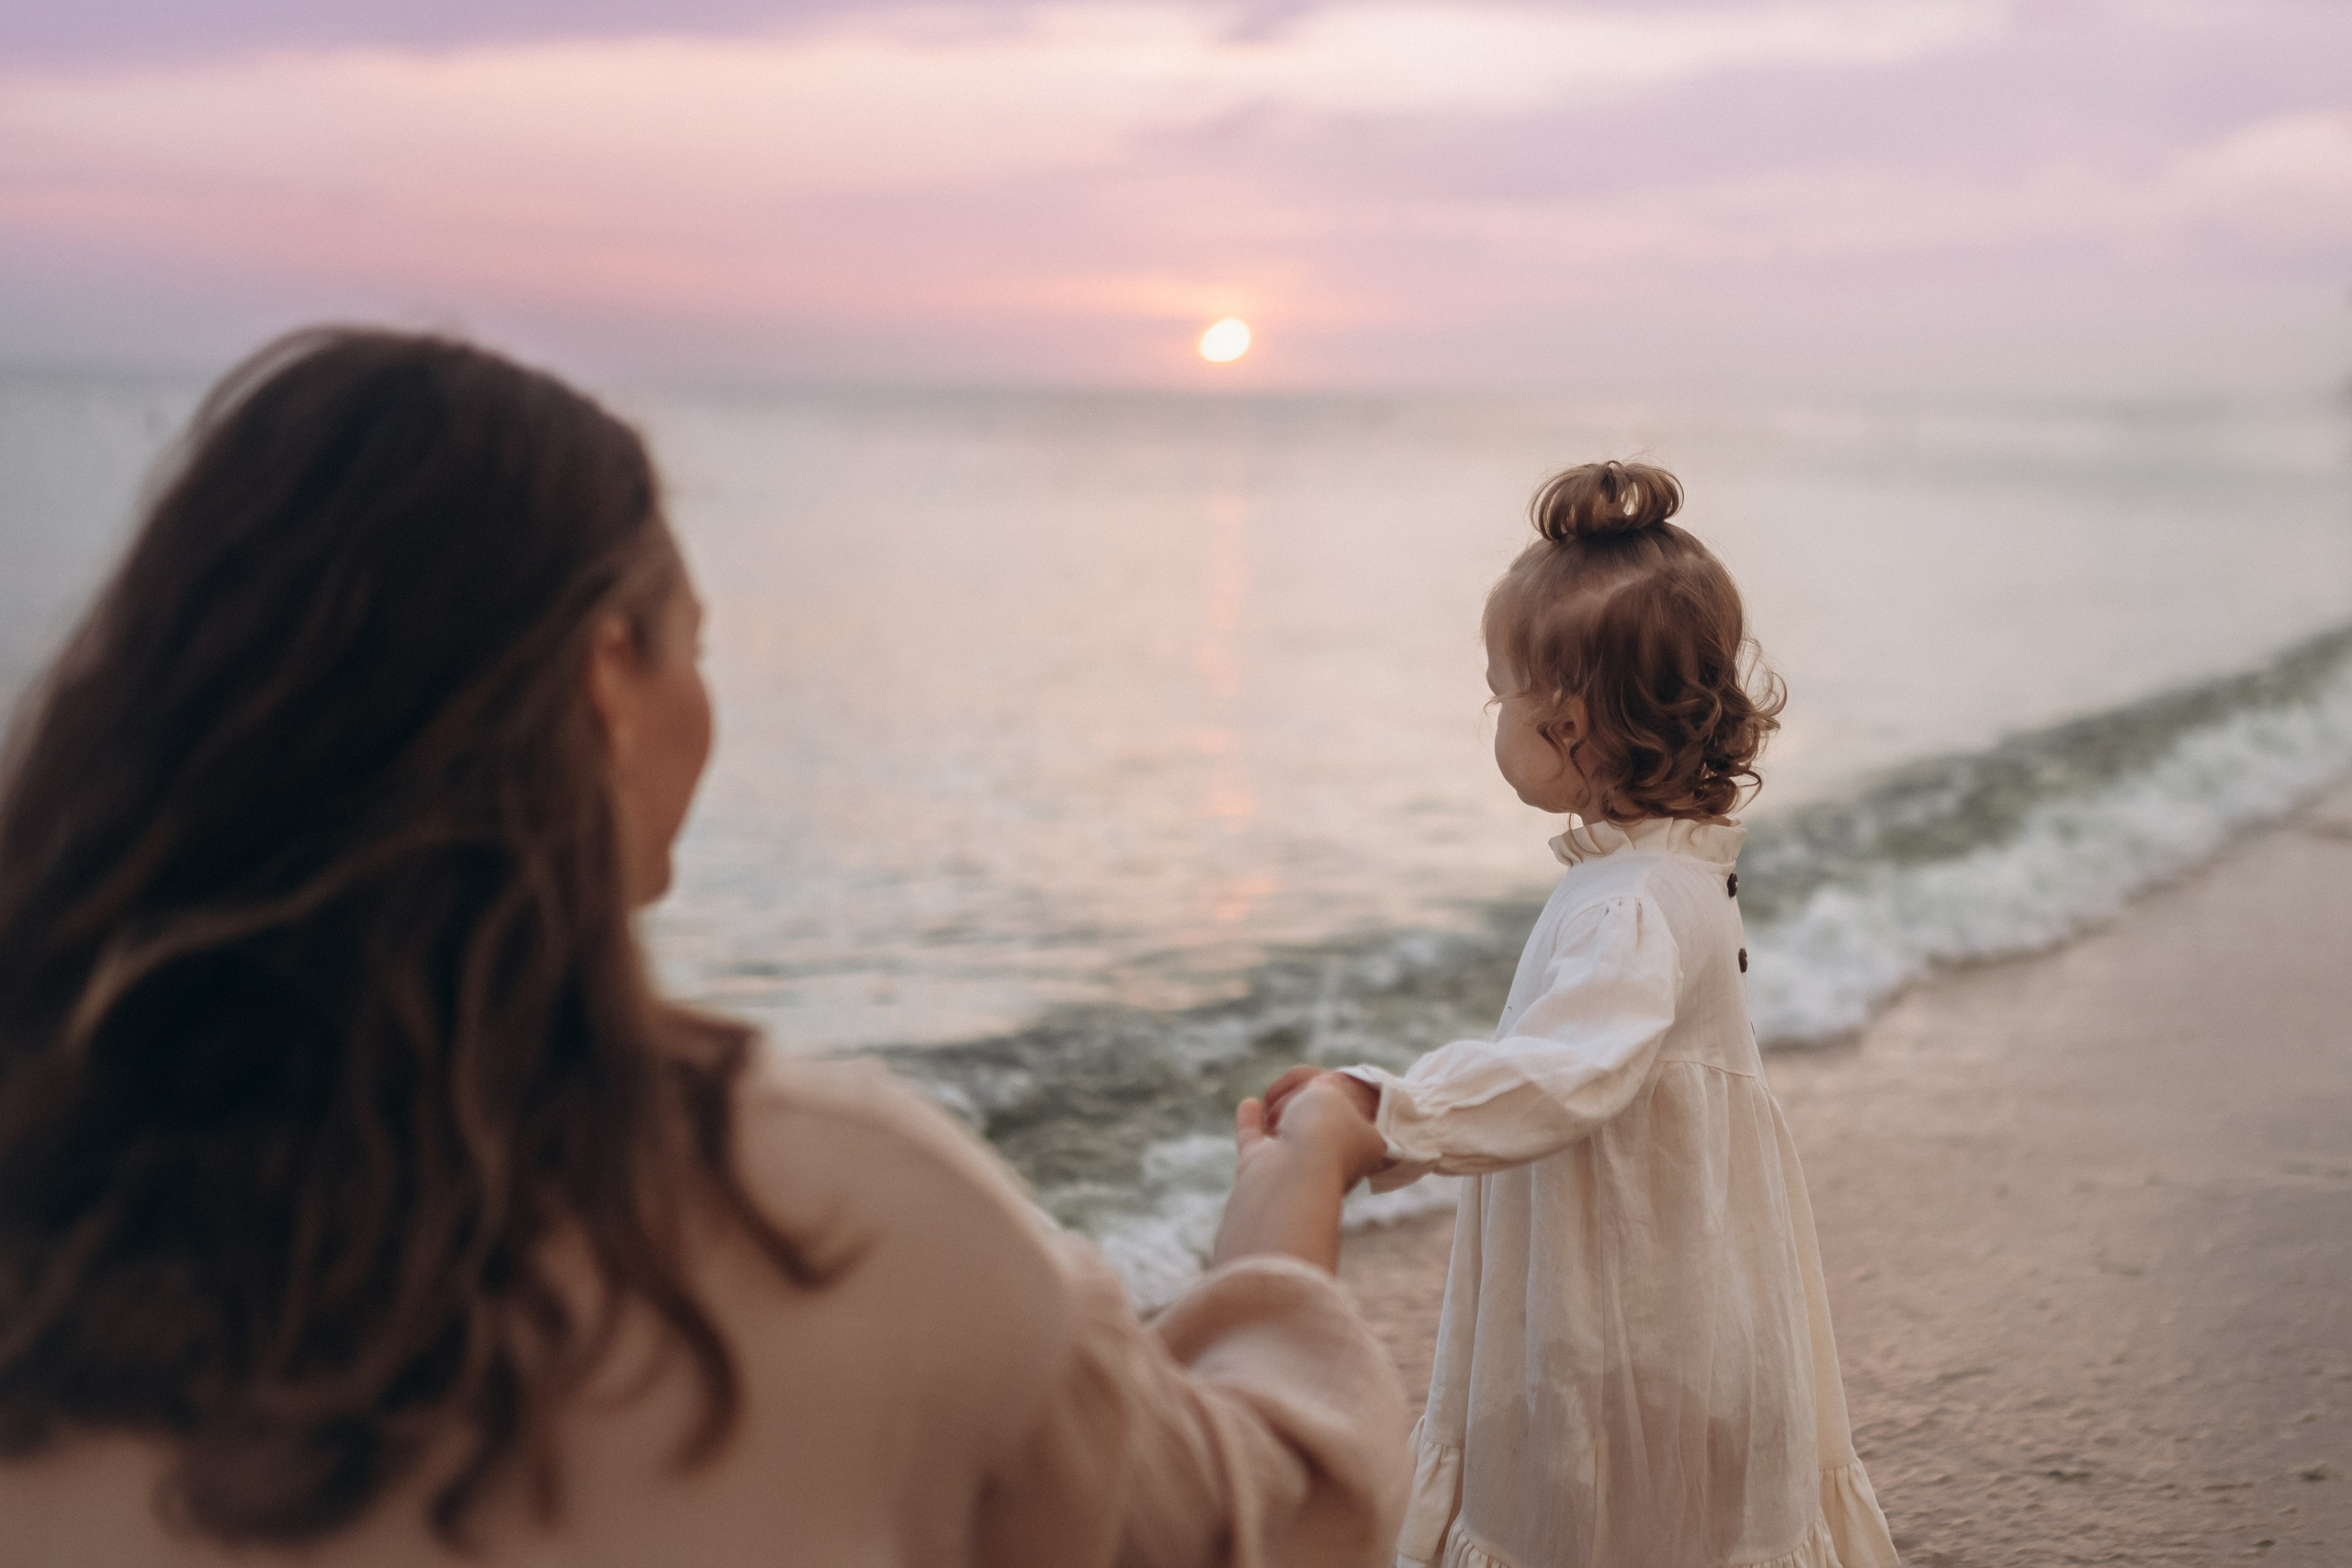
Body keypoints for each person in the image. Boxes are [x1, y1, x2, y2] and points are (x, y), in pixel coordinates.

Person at [0, 328, 1408, 1567]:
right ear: (605, 677)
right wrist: (1304, 1176)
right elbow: (1276, 1521)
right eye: (696, 644)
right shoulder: (830, 1218)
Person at [1262, 462, 1900, 1568]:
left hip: (1629, 1305)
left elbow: (1568, 1073)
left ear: (1562, 728)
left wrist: (1388, 1114)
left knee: (1602, 1509)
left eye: (1495, 691)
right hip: (1679, 1264)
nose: (1493, 716)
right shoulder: (1664, 875)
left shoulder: (1634, 904)